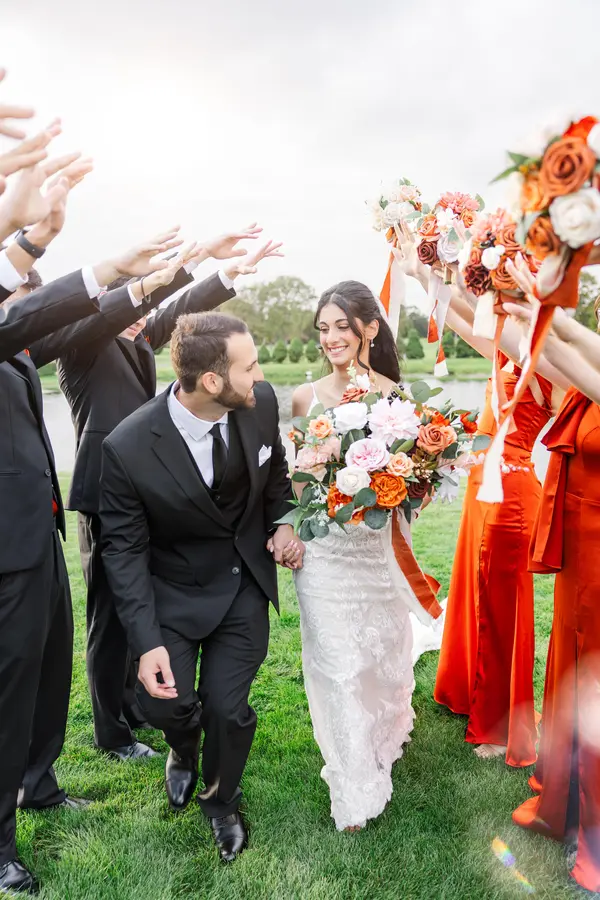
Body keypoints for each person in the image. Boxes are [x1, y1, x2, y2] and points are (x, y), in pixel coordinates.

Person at [0, 227, 190, 897]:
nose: (29, 302)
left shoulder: (21, 352)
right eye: (21, 293)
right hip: (12, 543)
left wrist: (158, 277)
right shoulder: (24, 337)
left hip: (36, 533)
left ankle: (38, 783)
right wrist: (36, 243)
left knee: (47, 669)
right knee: (12, 683)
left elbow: (105, 316)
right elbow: (72, 314)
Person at [61, 231, 283, 760]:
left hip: (155, 490)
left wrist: (223, 273)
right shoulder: (83, 341)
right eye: (130, 298)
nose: (141, 313)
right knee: (110, 619)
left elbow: (183, 320)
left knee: (143, 614)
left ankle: (145, 705)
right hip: (105, 493)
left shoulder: (137, 338)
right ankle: (112, 732)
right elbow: (124, 309)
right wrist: (175, 266)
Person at [99, 312, 300, 862]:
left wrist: (284, 521)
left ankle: (221, 803)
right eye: (249, 366)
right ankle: (182, 751)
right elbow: (124, 552)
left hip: (242, 584)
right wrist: (147, 644)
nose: (260, 374)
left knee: (227, 709)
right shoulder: (127, 447)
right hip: (172, 592)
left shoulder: (259, 404)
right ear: (212, 381)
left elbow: (276, 475)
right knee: (166, 705)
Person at [292, 280, 429, 832]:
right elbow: (295, 483)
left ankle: (385, 731)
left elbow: (414, 484)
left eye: (341, 326)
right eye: (323, 328)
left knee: (380, 655)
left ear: (369, 328)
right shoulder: (304, 399)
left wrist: (405, 485)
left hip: (376, 551)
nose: (331, 338)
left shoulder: (399, 399)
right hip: (325, 555)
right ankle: (354, 784)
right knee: (339, 665)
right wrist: (294, 524)